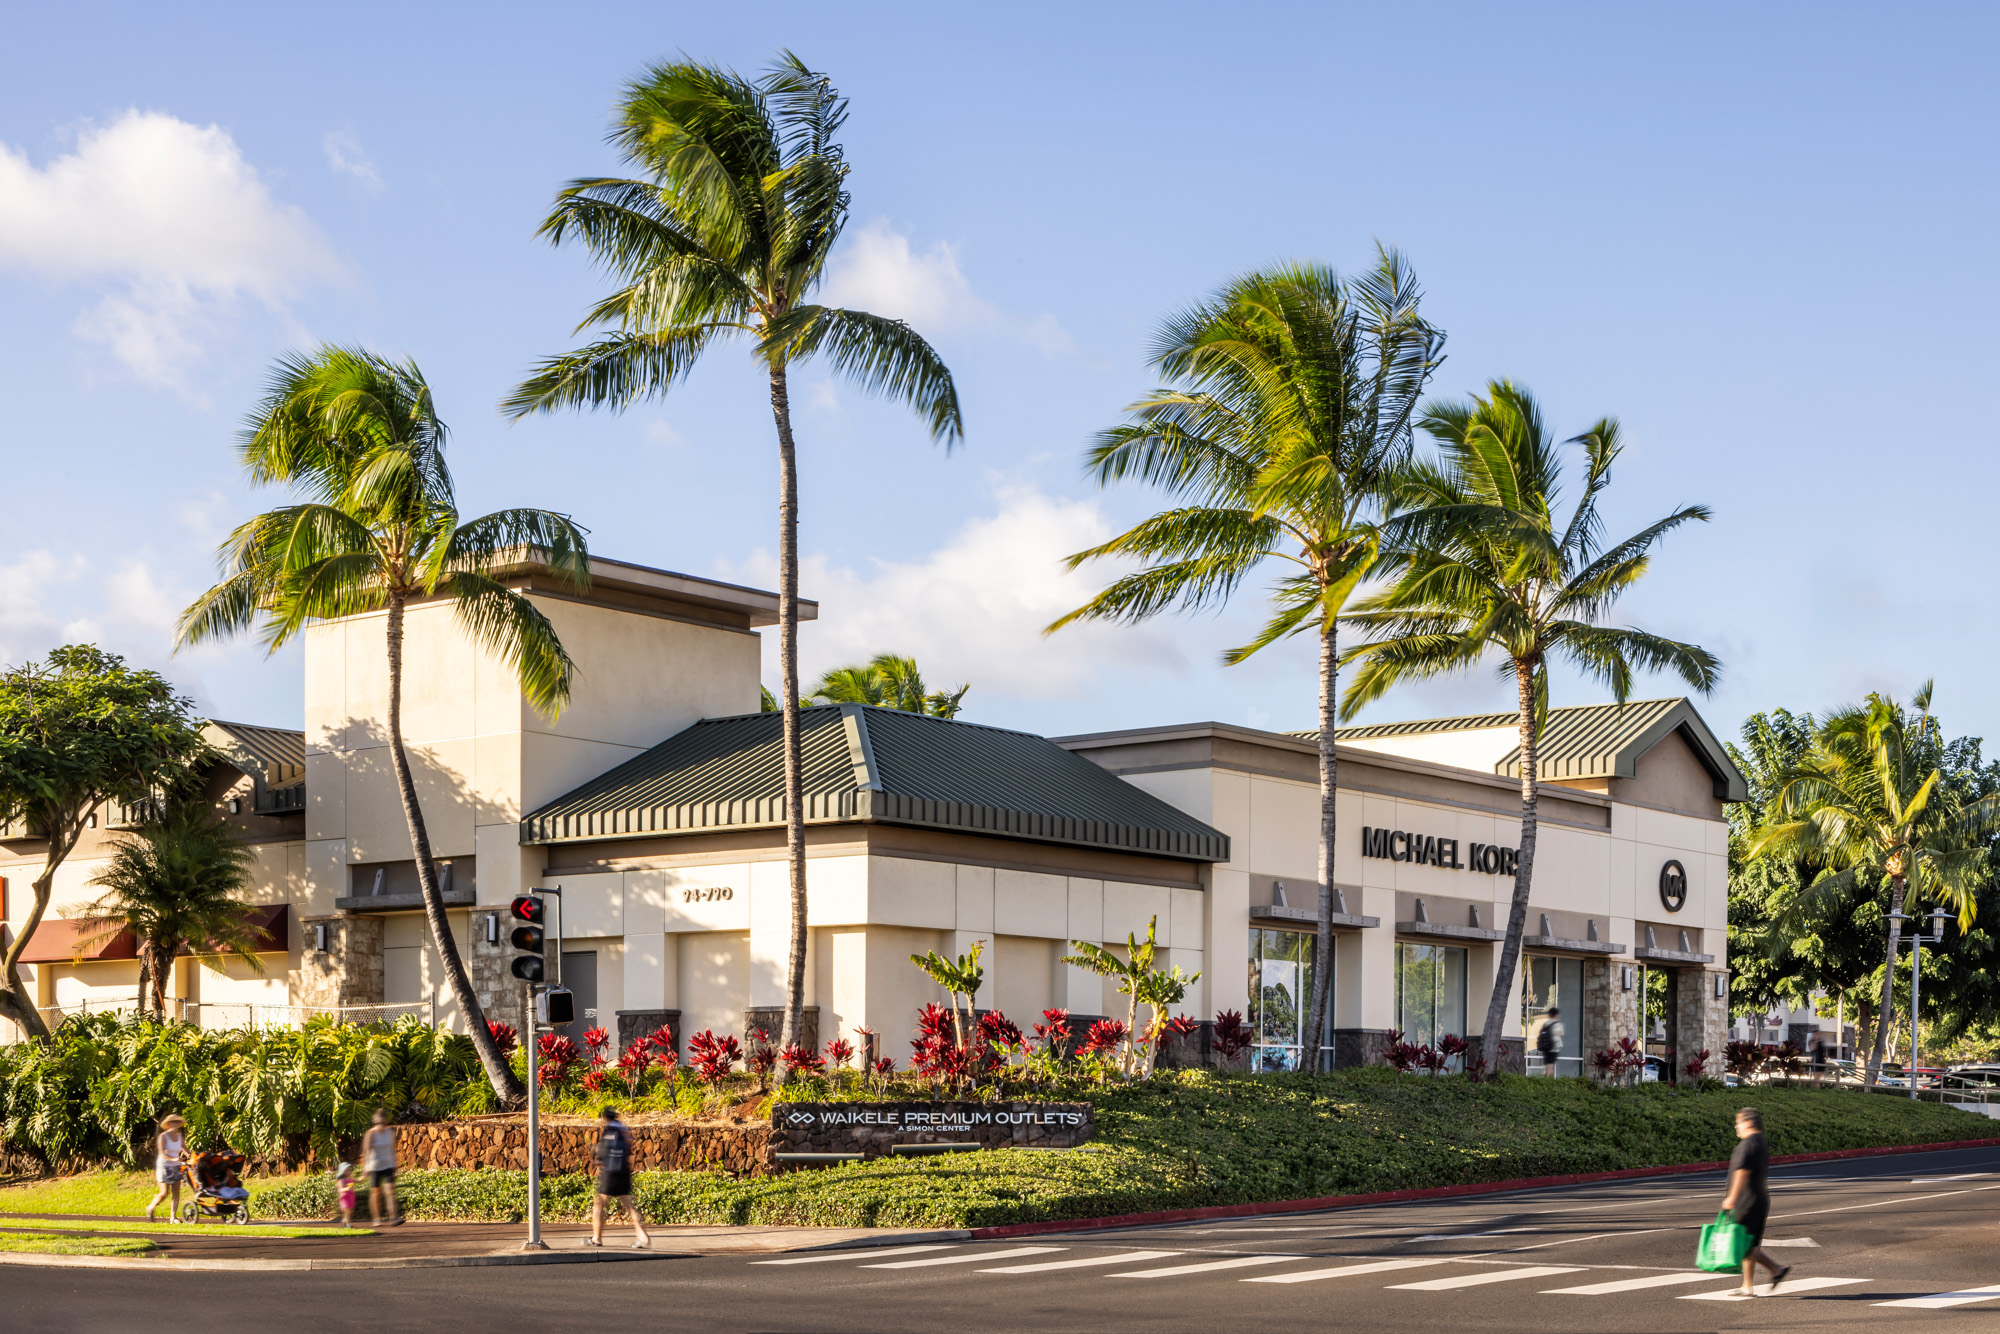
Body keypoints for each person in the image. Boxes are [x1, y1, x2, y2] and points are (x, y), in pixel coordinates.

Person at [1721, 1106, 1789, 1296]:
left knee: (1742, 1244)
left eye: (1738, 1122)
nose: (1736, 1127)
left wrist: (1732, 1198)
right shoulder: (1760, 1141)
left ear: (1748, 1122)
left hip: (1747, 1200)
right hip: (1759, 1199)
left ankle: (1776, 1269)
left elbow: (1742, 1172)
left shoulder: (1748, 1144)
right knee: (1751, 1244)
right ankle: (1747, 1286)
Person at [586, 1107, 650, 1249]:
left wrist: (597, 1153)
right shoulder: (623, 1130)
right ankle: (643, 1236)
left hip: (609, 1173)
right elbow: (629, 1149)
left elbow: (603, 1153)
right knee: (630, 1206)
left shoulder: (609, 1131)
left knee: (599, 1204)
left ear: (606, 1118)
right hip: (623, 1172)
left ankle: (596, 1238)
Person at [361, 1108, 401, 1226]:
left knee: (389, 1191)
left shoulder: (390, 1132)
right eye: (379, 1123)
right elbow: (366, 1152)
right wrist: (365, 1168)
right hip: (374, 1166)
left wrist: (395, 1165)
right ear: (375, 1121)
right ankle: (376, 1218)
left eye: (383, 1122)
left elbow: (392, 1149)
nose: (381, 1125)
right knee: (376, 1193)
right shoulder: (371, 1134)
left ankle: (393, 1217)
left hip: (388, 1165)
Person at [144, 1114, 187, 1222]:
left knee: (176, 1191)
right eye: (173, 1122)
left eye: (177, 1122)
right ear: (168, 1124)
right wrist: (174, 1159)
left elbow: (186, 1150)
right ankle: (151, 1207)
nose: (175, 1124)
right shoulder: (163, 1136)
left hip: (176, 1166)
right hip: (164, 1166)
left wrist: (194, 1157)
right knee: (164, 1193)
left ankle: (173, 1217)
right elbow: (162, 1153)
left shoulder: (179, 1137)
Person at [1536, 1008, 1564, 1076]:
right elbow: (1561, 1035)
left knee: (1549, 1064)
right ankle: (1547, 1080)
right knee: (1550, 1064)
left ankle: (1550, 1079)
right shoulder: (1558, 1024)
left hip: (1546, 1046)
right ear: (1556, 1014)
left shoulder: (1546, 1024)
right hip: (1553, 1047)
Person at [335, 1161, 357, 1226]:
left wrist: (364, 1176)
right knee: (347, 1211)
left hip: (351, 1197)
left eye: (350, 1170)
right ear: (343, 1171)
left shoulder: (351, 1179)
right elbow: (340, 1189)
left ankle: (344, 1221)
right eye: (347, 1170)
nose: (349, 1172)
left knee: (350, 1211)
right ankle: (348, 1224)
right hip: (344, 1198)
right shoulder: (341, 1181)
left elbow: (359, 1181)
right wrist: (347, 1189)